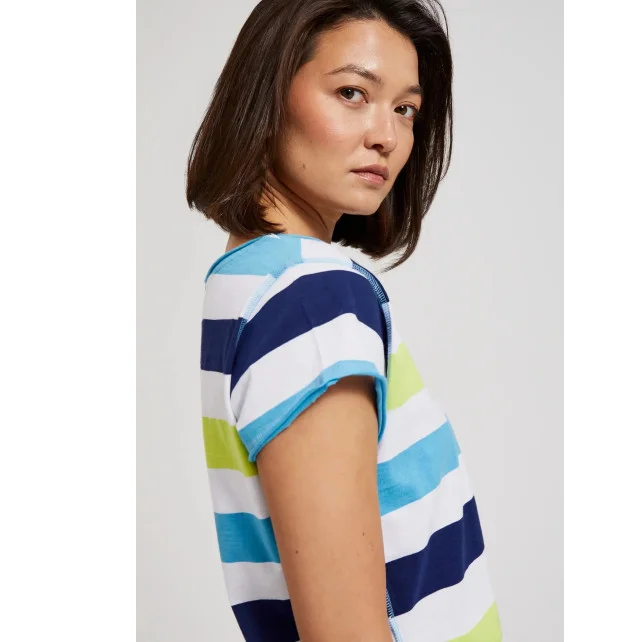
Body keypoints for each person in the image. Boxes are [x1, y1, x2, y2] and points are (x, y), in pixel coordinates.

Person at [187, 1, 502, 640]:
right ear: (269, 93)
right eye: (353, 93)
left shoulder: (249, 279)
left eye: (405, 109)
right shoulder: (314, 294)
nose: (387, 135)